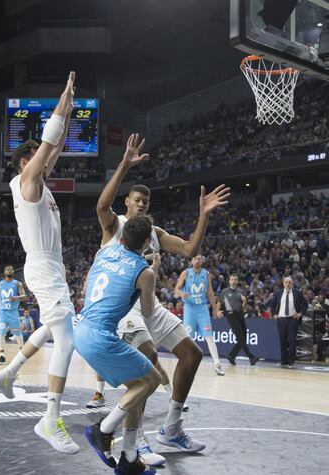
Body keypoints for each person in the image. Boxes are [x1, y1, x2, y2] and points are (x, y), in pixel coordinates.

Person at [90, 133, 230, 458]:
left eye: (146, 203)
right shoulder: (116, 226)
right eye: (136, 200)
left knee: (192, 355)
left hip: (149, 307)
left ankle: (171, 429)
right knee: (148, 361)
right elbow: (101, 205)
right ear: (127, 202)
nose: (141, 205)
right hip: (122, 309)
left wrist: (203, 215)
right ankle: (136, 441)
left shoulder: (154, 232)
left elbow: (190, 248)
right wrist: (125, 164)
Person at [0, 71, 79, 454]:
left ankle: (8, 373)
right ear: (26, 160)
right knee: (67, 339)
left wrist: (70, 110)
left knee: (52, 325)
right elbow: (48, 143)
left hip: (50, 266)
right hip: (42, 265)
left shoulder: (37, 181)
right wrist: (61, 101)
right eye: (38, 155)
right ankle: (50, 419)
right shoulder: (27, 180)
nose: (47, 159)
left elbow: (54, 146)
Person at [75, 216, 161, 475]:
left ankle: (130, 458)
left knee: (137, 386)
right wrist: (152, 275)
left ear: (122, 237)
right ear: (146, 242)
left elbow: (90, 282)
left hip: (82, 328)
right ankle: (102, 430)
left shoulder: (106, 251)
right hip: (102, 336)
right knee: (152, 380)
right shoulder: (144, 272)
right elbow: (146, 312)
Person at [175, 255, 225, 376]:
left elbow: (210, 292)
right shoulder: (186, 273)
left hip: (202, 308)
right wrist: (181, 294)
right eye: (195, 259)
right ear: (191, 261)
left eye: (199, 259)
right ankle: (187, 363)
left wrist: (214, 309)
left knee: (209, 337)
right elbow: (177, 289)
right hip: (190, 308)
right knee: (189, 338)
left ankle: (217, 364)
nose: (197, 261)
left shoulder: (206, 274)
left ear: (202, 261)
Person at [217, 273, 259, 366]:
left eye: (235, 280)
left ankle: (231, 355)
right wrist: (217, 311)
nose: (234, 281)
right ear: (229, 281)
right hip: (230, 314)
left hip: (240, 314)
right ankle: (251, 357)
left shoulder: (241, 291)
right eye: (232, 279)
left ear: (237, 281)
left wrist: (244, 301)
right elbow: (219, 302)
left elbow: (243, 307)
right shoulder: (224, 291)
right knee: (240, 337)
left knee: (243, 338)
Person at [0, 265, 27, 364]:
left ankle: (21, 353)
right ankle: (2, 355)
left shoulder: (17, 284)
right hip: (2, 313)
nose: (10, 270)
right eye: (8, 269)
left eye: (11, 269)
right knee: (1, 333)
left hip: (13, 313)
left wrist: (15, 297)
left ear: (13, 272)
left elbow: (24, 296)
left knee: (17, 334)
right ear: (4, 272)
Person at [271, 277, 308, 368]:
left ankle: (291, 361)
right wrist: (274, 314)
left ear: (292, 284)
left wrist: (300, 313)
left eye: (289, 282)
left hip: (293, 320)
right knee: (282, 341)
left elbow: (305, 304)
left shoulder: (297, 293)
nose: (288, 284)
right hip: (281, 320)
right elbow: (272, 305)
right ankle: (284, 361)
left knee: (292, 341)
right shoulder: (278, 293)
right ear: (283, 283)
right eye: (286, 282)